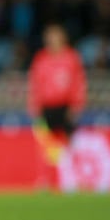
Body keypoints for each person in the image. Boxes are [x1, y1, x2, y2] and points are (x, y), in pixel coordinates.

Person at [27, 22, 87, 186]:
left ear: (62, 38)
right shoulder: (41, 58)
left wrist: (77, 105)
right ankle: (45, 179)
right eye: (49, 36)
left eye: (54, 36)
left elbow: (78, 83)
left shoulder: (71, 58)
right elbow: (35, 83)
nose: (51, 40)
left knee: (70, 143)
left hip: (65, 106)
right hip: (46, 107)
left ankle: (73, 178)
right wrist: (34, 105)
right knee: (45, 144)